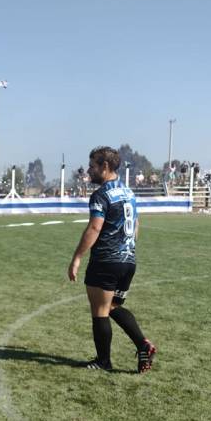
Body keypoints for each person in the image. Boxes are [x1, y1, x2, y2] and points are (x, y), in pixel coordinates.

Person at [68, 145, 156, 373]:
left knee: (100, 310)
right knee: (113, 306)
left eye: (92, 166)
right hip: (128, 261)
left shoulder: (101, 195)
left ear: (105, 167)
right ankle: (143, 344)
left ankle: (103, 361)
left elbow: (95, 227)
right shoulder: (129, 193)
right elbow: (136, 225)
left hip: (106, 261)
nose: (89, 171)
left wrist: (77, 257)